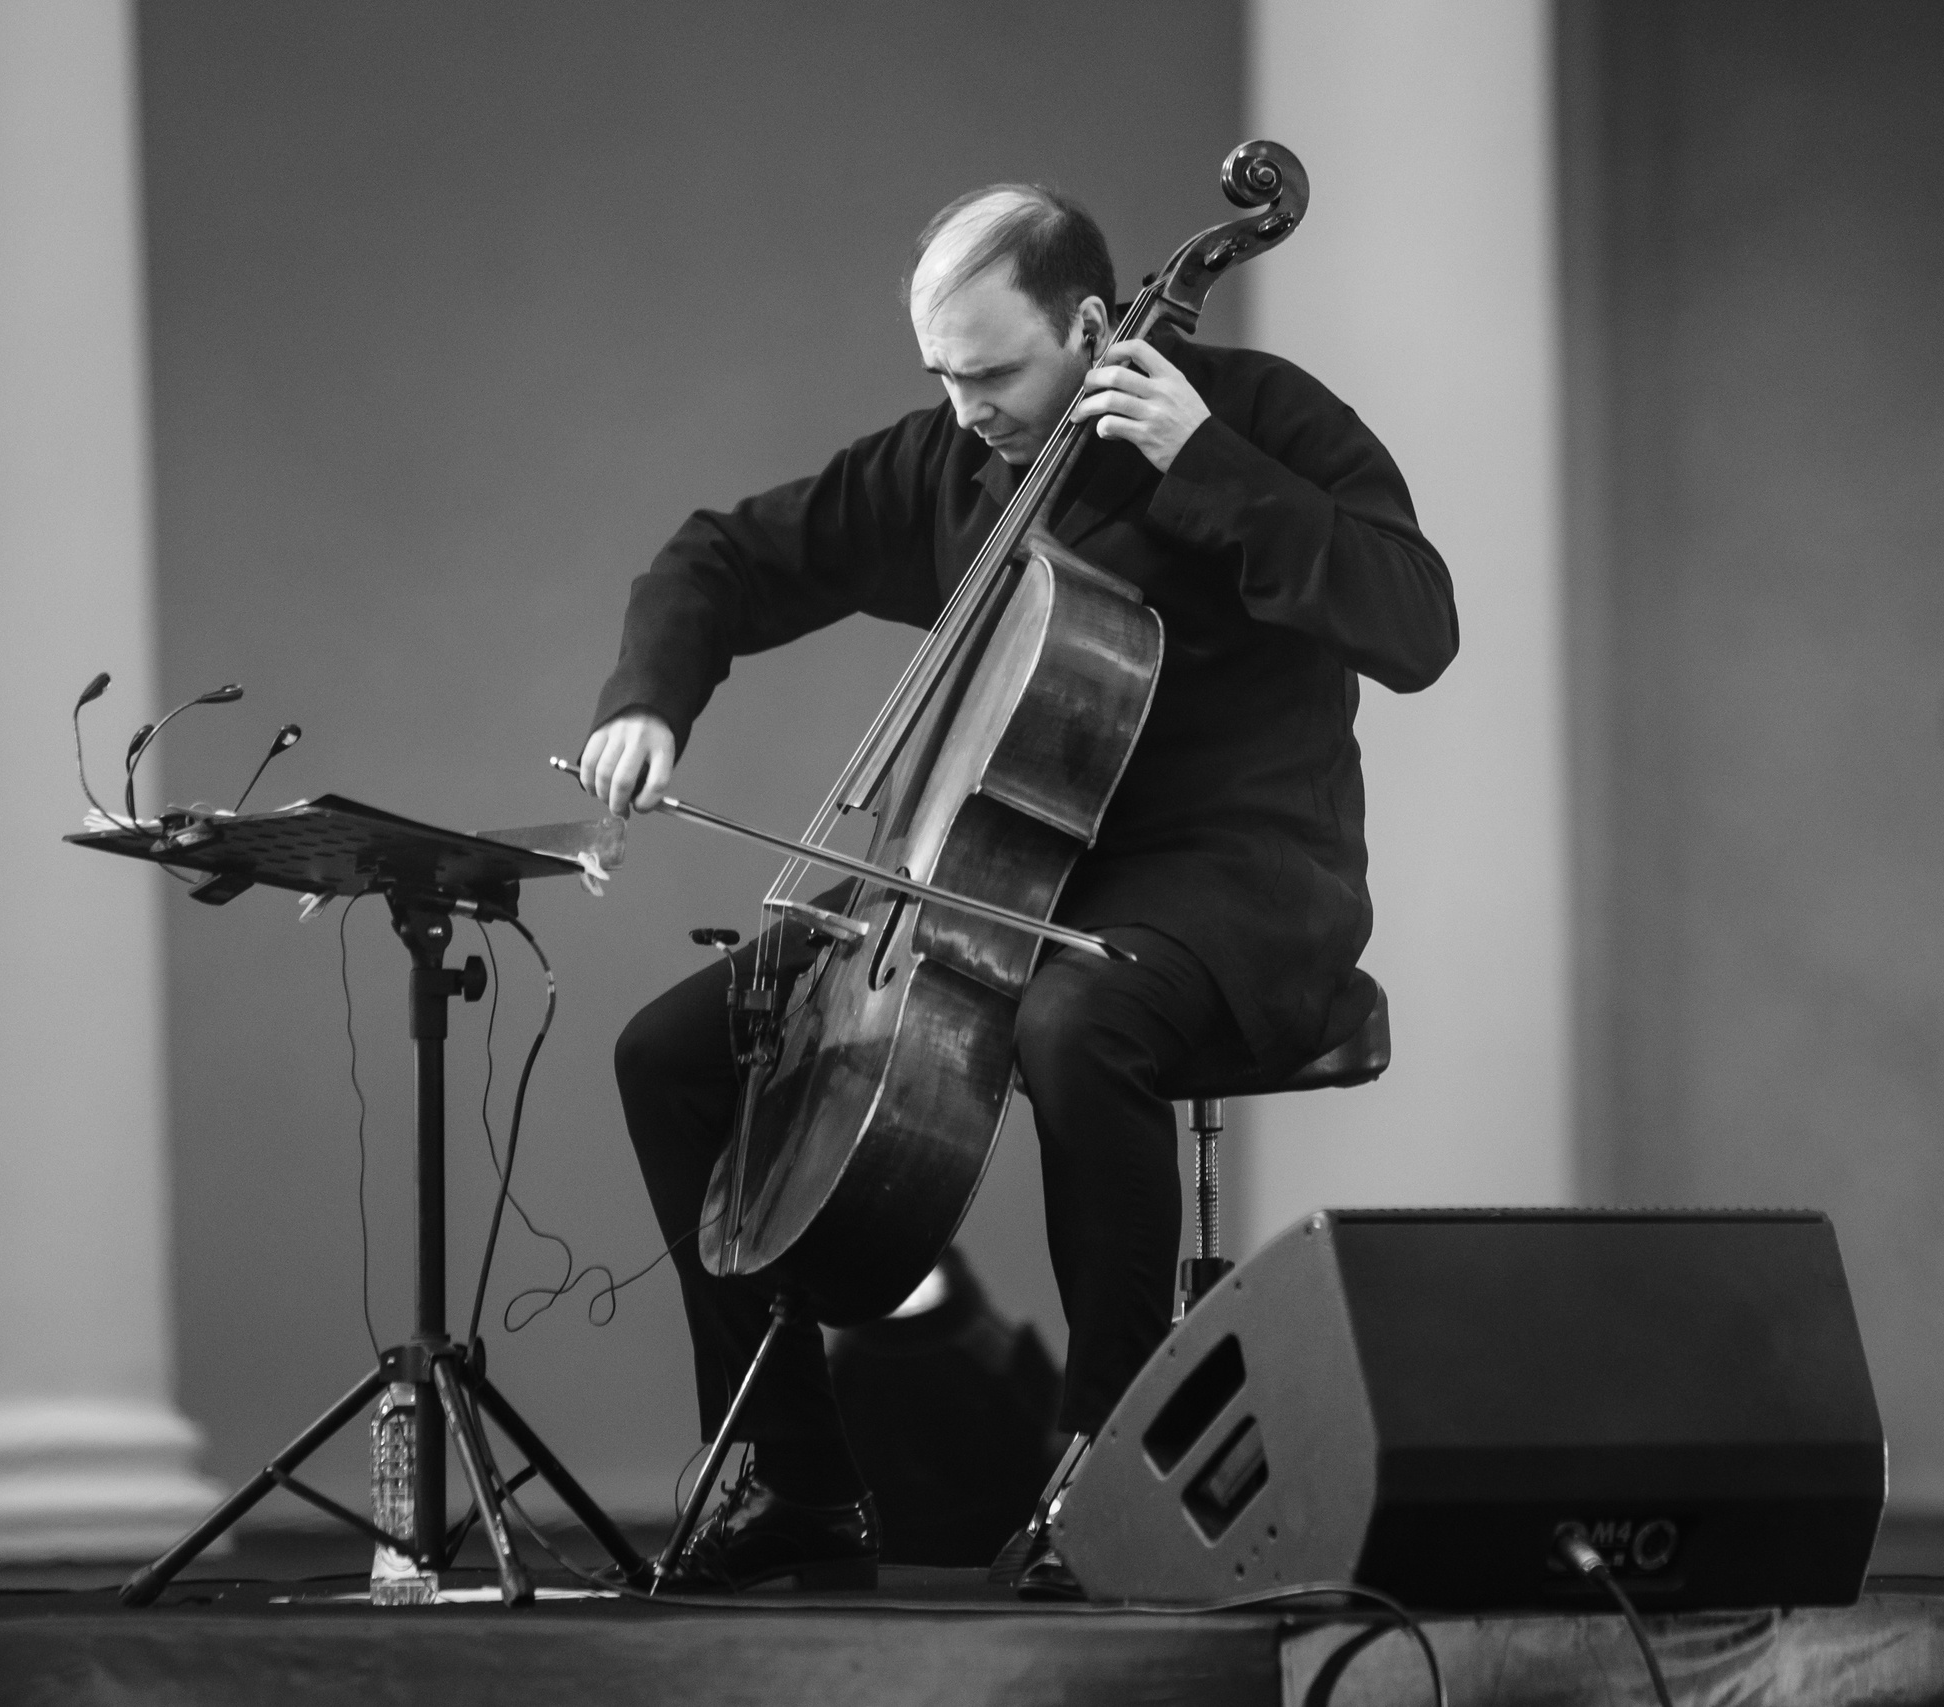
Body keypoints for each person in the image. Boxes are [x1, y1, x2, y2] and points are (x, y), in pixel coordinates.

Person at [576, 182, 1457, 1595]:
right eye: (940, 372)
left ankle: (1105, 1468)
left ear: (1093, 325)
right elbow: (720, 556)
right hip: (1003, 876)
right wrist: (651, 703)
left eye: (991, 372)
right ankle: (804, 1485)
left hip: (1244, 874)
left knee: (1071, 1021)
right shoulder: (949, 464)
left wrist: (1211, 466)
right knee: (674, 1057)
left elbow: (1417, 627)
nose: (964, 405)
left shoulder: (1263, 418)